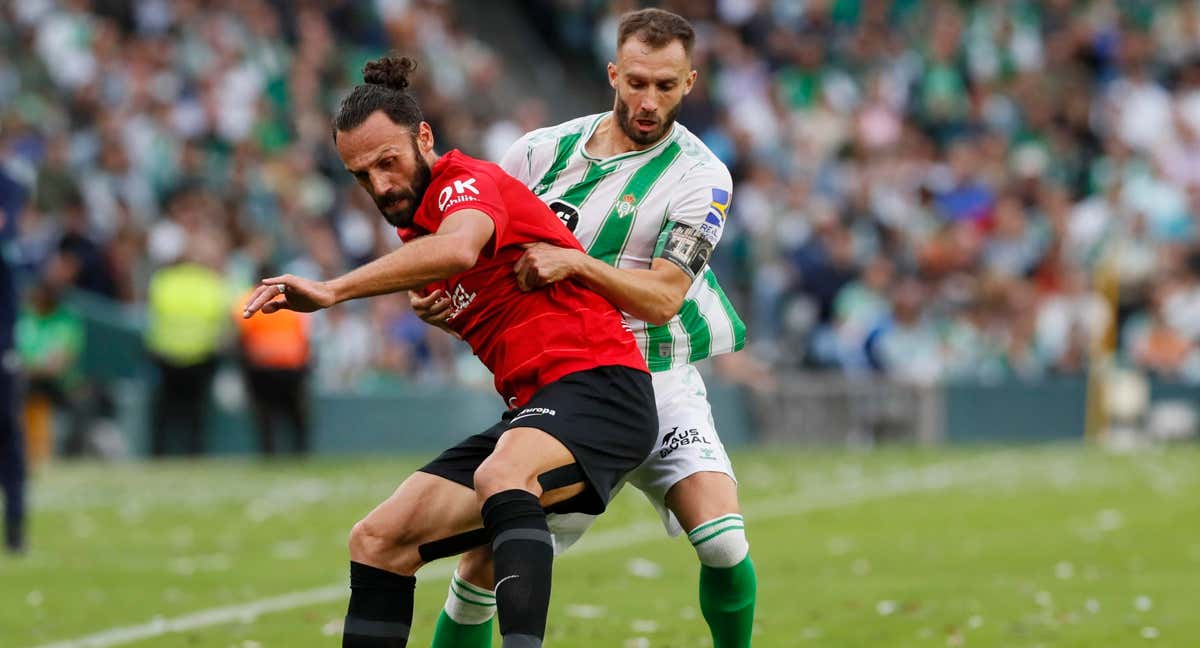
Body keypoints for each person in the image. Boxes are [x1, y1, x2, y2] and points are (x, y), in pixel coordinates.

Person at [241, 55, 658, 648]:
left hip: (602, 388)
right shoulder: (416, 231)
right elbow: (483, 289)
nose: (381, 184)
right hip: (535, 410)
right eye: (362, 176)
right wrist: (441, 311)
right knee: (378, 540)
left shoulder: (464, 181)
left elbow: (462, 248)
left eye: (388, 162)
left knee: (503, 474)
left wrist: (333, 289)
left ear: (424, 138)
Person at [419, 9, 757, 648]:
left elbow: (663, 297)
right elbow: (478, 248)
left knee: (723, 540)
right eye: (635, 82)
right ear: (612, 73)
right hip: (567, 386)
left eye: (664, 86)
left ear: (690, 81)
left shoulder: (702, 175)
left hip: (657, 375)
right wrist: (444, 293)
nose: (648, 100)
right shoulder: (538, 152)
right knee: (482, 569)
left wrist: (576, 261)